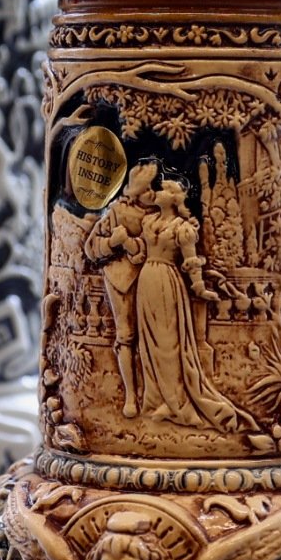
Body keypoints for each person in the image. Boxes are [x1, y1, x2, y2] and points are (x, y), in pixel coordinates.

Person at [135, 181, 258, 433]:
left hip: (167, 283)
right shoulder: (148, 221)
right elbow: (138, 252)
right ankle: (156, 398)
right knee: (148, 343)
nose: (157, 192)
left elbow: (191, 262)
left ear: (174, 198)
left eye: (163, 189)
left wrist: (200, 288)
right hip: (146, 280)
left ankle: (176, 403)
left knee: (168, 343)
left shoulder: (183, 228)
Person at [84, 161, 157, 417]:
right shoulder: (115, 211)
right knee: (126, 336)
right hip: (120, 279)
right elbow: (92, 247)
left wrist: (131, 244)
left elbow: (150, 249)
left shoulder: (156, 215)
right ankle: (131, 396)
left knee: (151, 335)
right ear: (137, 190)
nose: (153, 193)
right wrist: (113, 242)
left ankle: (153, 394)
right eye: (148, 189)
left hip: (150, 279)